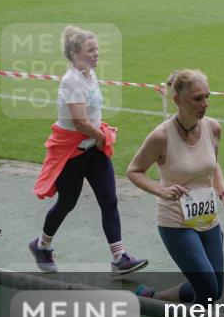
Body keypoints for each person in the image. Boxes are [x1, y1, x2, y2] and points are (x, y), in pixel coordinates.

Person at [31, 25, 147, 275]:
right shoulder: (72, 81)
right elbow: (80, 123)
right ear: (75, 54)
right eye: (90, 50)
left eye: (97, 49)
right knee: (67, 203)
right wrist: (102, 135)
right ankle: (42, 245)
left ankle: (119, 257)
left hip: (93, 149)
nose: (96, 54)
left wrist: (99, 138)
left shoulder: (89, 75)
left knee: (109, 199)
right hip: (73, 152)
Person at [126, 69, 224, 304]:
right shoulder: (161, 136)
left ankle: (152, 299)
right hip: (175, 221)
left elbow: (213, 165)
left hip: (208, 219)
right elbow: (134, 171)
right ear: (177, 100)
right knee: (207, 290)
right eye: (197, 98)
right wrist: (160, 190)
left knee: (214, 291)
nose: (205, 104)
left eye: (207, 96)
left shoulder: (213, 127)